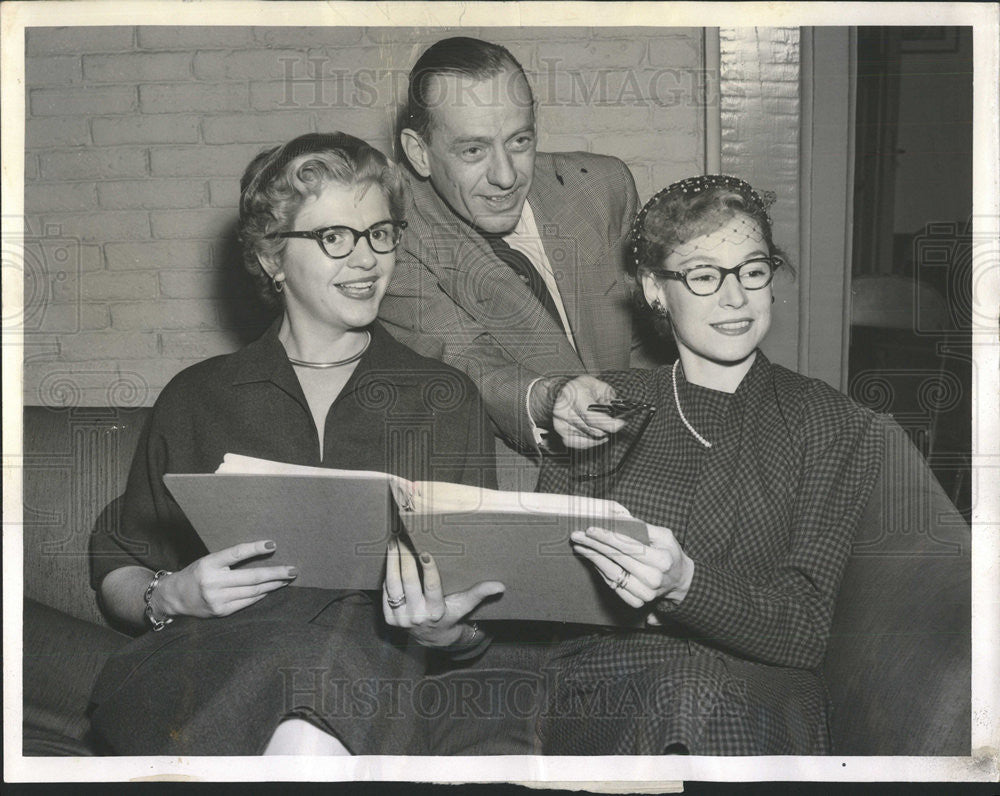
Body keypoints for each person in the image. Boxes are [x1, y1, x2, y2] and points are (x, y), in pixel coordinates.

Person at [87, 132, 502, 756]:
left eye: (380, 234)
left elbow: (482, 612)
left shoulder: (445, 398)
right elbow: (121, 555)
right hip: (211, 667)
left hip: (376, 674)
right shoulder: (198, 396)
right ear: (272, 258)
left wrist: (448, 632)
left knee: (341, 641)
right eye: (335, 237)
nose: (367, 260)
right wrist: (170, 594)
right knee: (319, 657)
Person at [533, 175, 886, 754]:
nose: (735, 297)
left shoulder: (831, 422)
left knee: (699, 696)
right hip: (609, 689)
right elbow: (547, 597)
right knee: (686, 690)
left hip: (762, 693)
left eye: (752, 270)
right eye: (703, 275)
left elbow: (803, 628)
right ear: (654, 289)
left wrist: (685, 585)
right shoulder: (604, 406)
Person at [378, 36, 658, 460]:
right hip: (524, 486)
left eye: (519, 141)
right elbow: (468, 361)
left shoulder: (601, 187)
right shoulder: (394, 236)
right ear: (419, 153)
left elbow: (645, 346)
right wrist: (549, 398)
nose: (506, 176)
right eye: (473, 150)